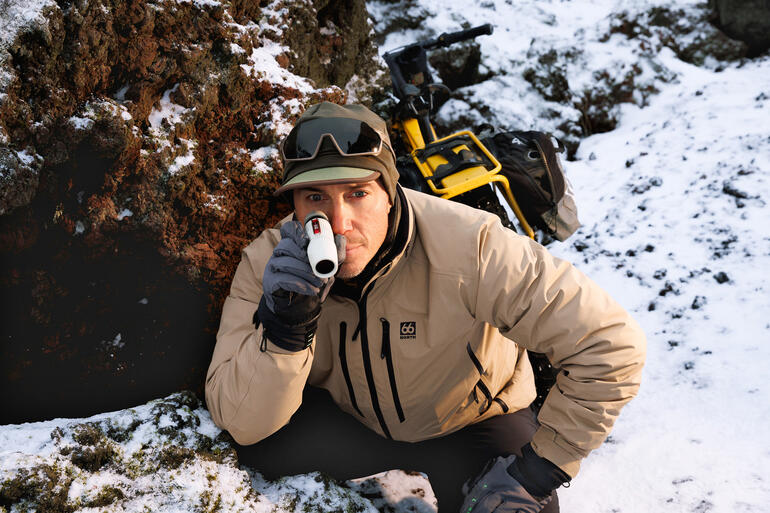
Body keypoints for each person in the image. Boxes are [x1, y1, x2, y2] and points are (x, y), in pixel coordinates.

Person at [205, 102, 646, 512]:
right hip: (347, 419)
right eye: (315, 197)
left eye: (358, 193)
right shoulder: (270, 265)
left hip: (469, 424)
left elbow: (610, 343)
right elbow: (242, 423)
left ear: (390, 192)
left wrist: (538, 471)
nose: (340, 223)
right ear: (295, 206)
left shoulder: (469, 244)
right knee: (251, 455)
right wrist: (286, 330)